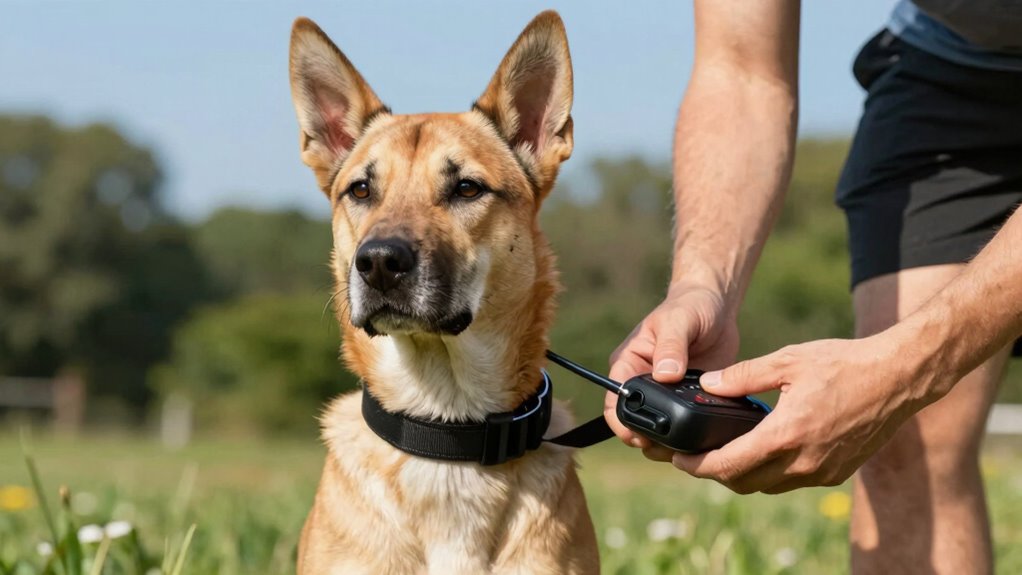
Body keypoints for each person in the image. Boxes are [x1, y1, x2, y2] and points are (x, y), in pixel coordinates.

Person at [606, 1, 1022, 572]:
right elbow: (743, 68)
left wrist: (906, 369)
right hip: (949, 66)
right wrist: (703, 286)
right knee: (908, 440)